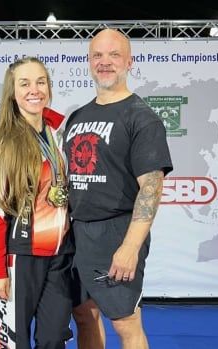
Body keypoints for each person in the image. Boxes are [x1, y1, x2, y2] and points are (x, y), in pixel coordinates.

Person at [64, 29, 173, 349]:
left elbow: (151, 187)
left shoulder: (142, 117)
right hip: (76, 232)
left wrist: (130, 247)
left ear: (130, 62)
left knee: (126, 321)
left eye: (114, 55)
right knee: (83, 314)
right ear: (88, 62)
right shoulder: (77, 117)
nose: (105, 62)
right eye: (97, 55)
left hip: (116, 232)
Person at [0, 57, 74, 349]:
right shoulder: (6, 144)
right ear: (12, 92)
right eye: (24, 83)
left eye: (41, 81)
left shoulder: (58, 132)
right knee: (15, 342)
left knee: (53, 339)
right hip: (21, 257)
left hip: (60, 256)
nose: (34, 90)